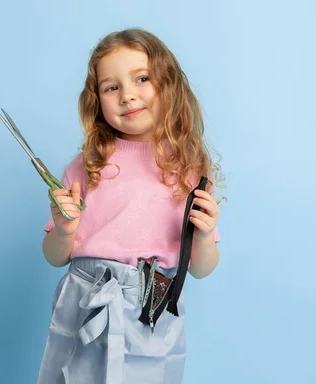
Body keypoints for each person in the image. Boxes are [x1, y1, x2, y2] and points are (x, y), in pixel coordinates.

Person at [37, 27, 224, 384]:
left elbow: (200, 269)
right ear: (96, 100)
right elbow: (54, 256)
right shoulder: (85, 165)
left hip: (149, 309)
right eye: (112, 87)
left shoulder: (189, 171)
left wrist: (203, 237)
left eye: (142, 79)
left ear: (169, 86)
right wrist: (63, 230)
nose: (128, 96)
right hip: (86, 301)